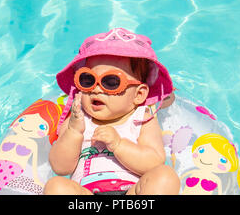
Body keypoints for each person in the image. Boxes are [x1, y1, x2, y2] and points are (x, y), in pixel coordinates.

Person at [43, 27, 180, 195]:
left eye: (111, 82)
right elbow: (60, 167)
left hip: (131, 194)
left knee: (165, 176)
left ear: (138, 94)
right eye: (88, 80)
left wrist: (119, 145)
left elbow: (154, 162)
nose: (96, 89)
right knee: (56, 186)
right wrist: (73, 132)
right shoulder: (78, 119)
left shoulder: (141, 118)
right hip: (85, 193)